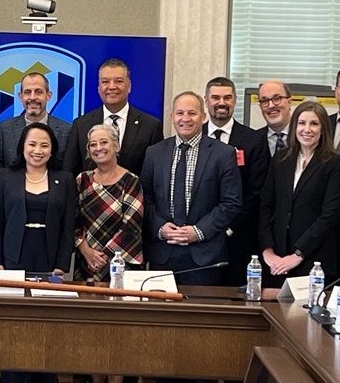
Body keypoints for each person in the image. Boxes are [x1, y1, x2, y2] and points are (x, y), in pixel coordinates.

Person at [0, 122, 74, 383]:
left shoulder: (65, 179)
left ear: (52, 150)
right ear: (22, 147)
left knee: (46, 323)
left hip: (48, 260)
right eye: (32, 144)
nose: (38, 150)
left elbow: (69, 226)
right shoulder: (6, 176)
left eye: (44, 145)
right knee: (15, 323)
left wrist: (62, 264)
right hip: (14, 258)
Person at [140, 92, 241, 285]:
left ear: (203, 117)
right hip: (162, 254)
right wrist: (160, 228)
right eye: (179, 113)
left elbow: (231, 203)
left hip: (205, 257)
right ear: (172, 117)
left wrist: (198, 231)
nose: (185, 119)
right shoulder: (154, 153)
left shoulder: (223, 153)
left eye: (192, 113)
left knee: (201, 314)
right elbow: (145, 199)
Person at [259, 101, 340, 286]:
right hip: (277, 259)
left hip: (314, 260)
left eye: (314, 124)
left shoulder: (335, 163)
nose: (307, 129)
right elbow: (266, 205)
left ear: (323, 129)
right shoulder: (281, 159)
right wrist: (267, 250)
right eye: (301, 123)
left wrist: (298, 254)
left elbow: (329, 216)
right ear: (294, 127)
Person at [203, 77, 271, 286]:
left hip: (237, 238)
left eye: (227, 97)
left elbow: (256, 192)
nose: (221, 102)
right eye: (215, 97)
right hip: (198, 239)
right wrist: (202, 228)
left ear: (235, 101)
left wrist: (227, 227)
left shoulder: (254, 140)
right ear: (206, 101)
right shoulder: (193, 136)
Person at [64, 58, 163, 177]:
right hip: (90, 195)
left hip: (134, 194)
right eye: (105, 82)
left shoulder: (151, 126)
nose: (111, 87)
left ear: (129, 86)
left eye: (119, 81)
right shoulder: (81, 125)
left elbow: (156, 175)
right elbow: (70, 172)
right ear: (99, 88)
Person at [75, 124, 143, 281]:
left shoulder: (131, 181)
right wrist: (86, 251)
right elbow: (72, 220)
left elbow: (131, 226)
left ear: (116, 145)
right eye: (93, 144)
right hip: (86, 263)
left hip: (121, 263)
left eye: (104, 142)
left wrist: (102, 257)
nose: (98, 148)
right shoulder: (82, 180)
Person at [0, 72, 71, 168]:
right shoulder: (4, 129)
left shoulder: (66, 130)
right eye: (27, 92)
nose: (32, 97)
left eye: (38, 92)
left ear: (49, 96)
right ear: (21, 97)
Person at [256, 80, 292, 157]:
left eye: (276, 98)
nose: (271, 105)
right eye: (264, 101)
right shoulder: (253, 140)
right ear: (260, 107)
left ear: (289, 102)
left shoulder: (305, 137)